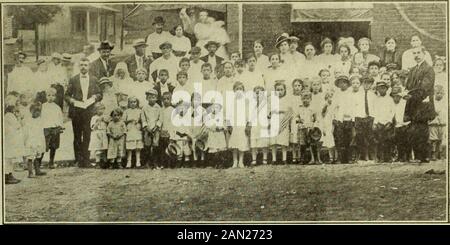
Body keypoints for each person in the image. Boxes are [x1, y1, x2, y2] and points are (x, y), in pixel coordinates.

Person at [65, 58, 103, 168]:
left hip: (88, 111)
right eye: (81, 65)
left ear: (89, 67)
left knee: (87, 135)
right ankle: (78, 159)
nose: (83, 67)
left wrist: (95, 97)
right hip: (76, 111)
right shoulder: (73, 79)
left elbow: (100, 94)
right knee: (77, 136)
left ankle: (86, 160)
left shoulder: (94, 79)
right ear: (78, 66)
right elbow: (66, 95)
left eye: (85, 65)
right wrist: (72, 101)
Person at [404, 46, 436, 163]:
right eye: (414, 53)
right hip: (413, 103)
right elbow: (409, 86)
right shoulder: (413, 69)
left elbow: (425, 88)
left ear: (424, 54)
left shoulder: (428, 69)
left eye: (418, 53)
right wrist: (406, 93)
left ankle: (425, 156)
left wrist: (412, 96)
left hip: (423, 104)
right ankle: (418, 156)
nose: (416, 55)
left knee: (422, 129)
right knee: (414, 129)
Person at [353, 76, 376, 162]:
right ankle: (363, 155)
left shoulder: (373, 95)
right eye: (365, 83)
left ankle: (371, 155)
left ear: (371, 84)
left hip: (370, 118)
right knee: (360, 137)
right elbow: (354, 107)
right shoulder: (357, 94)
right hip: (360, 118)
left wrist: (374, 119)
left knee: (370, 136)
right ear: (362, 84)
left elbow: (374, 108)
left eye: (369, 83)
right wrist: (355, 119)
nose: (366, 85)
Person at [372, 80, 395, 163]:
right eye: (380, 88)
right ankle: (380, 157)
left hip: (387, 123)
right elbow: (374, 112)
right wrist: (375, 123)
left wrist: (389, 121)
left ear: (386, 89)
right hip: (379, 123)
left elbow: (392, 111)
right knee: (379, 141)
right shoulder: (376, 100)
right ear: (377, 90)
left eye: (383, 88)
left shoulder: (390, 99)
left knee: (388, 140)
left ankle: (388, 157)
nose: (382, 90)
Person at [269, 81, 292, 164]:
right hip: (274, 120)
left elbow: (289, 112)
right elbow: (269, 112)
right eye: (277, 90)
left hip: (283, 120)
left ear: (285, 90)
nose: (279, 91)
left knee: (283, 141)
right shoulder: (272, 100)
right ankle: (274, 159)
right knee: (273, 141)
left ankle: (284, 159)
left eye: (281, 89)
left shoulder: (287, 100)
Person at [41, 87, 64, 169]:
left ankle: (51, 162)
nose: (50, 97)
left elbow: (60, 117)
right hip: (46, 128)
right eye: (48, 95)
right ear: (46, 96)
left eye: (53, 95)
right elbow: (40, 117)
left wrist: (60, 126)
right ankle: (38, 162)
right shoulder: (42, 107)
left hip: (55, 129)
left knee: (53, 146)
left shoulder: (57, 107)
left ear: (55, 97)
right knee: (43, 146)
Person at [333, 75, 354, 164]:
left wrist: (352, 119)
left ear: (347, 84)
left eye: (344, 82)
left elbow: (353, 108)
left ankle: (348, 158)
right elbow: (333, 108)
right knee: (339, 139)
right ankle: (340, 158)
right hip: (339, 120)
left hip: (348, 119)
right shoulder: (336, 95)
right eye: (340, 83)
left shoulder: (350, 94)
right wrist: (334, 118)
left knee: (348, 139)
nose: (342, 84)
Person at [23, 102, 47, 178]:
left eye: (39, 111)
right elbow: (26, 132)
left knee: (38, 157)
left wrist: (42, 141)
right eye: (35, 111)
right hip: (31, 142)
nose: (37, 113)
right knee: (30, 158)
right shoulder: (28, 121)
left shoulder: (40, 120)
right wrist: (25, 141)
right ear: (31, 111)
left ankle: (37, 170)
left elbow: (41, 131)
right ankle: (30, 173)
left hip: (38, 141)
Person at [141, 89, 162, 168]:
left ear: (156, 98)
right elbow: (143, 119)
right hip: (147, 129)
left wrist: (156, 126)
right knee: (147, 146)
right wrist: (146, 127)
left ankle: (155, 162)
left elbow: (160, 119)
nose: (152, 99)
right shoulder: (144, 108)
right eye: (149, 97)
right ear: (147, 98)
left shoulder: (158, 108)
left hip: (156, 130)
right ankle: (147, 162)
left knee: (155, 146)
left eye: (153, 97)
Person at [294, 90, 318, 164]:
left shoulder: (313, 108)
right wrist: (298, 120)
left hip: (310, 129)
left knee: (312, 143)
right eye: (303, 99)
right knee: (302, 144)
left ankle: (314, 159)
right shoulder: (299, 108)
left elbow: (316, 119)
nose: (305, 100)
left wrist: (314, 125)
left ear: (310, 99)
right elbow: (296, 118)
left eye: (307, 99)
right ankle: (302, 159)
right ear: (301, 99)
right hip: (302, 128)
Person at [249, 86, 270, 165]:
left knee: (264, 142)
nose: (258, 95)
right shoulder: (252, 104)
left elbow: (268, 114)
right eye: (257, 93)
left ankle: (265, 158)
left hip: (263, 125)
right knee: (254, 142)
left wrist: (268, 122)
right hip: (254, 126)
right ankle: (254, 159)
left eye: (261, 93)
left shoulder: (266, 104)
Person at [4, 105, 24, 184]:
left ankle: (9, 175)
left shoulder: (8, 116)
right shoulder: (9, 115)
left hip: (9, 139)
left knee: (9, 159)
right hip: (9, 140)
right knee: (8, 159)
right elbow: (18, 126)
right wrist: (19, 118)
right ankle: (7, 176)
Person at [391, 86, 410, 162]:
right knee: (398, 142)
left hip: (405, 125)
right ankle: (400, 156)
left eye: (398, 96)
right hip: (397, 125)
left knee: (406, 141)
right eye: (394, 96)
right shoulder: (391, 103)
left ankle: (407, 157)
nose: (396, 97)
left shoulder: (404, 103)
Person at [124, 97, 144, 168]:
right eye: (131, 102)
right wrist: (129, 120)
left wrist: (138, 121)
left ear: (137, 103)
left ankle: (138, 161)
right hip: (130, 129)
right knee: (130, 147)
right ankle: (129, 161)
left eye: (134, 102)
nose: (133, 104)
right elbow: (124, 121)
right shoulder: (126, 111)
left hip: (137, 128)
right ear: (129, 103)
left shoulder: (139, 111)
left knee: (137, 146)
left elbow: (142, 119)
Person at [88, 103, 109, 168]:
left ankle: (105, 162)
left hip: (103, 132)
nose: (101, 111)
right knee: (98, 149)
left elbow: (108, 124)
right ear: (95, 110)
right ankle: (97, 162)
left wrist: (105, 120)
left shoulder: (105, 116)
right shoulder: (94, 117)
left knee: (104, 148)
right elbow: (93, 127)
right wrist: (98, 121)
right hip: (97, 133)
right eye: (99, 109)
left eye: (102, 109)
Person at [429, 85, 445, 161]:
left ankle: (440, 153)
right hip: (433, 123)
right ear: (434, 93)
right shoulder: (432, 101)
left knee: (441, 139)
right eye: (437, 93)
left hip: (442, 123)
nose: (439, 95)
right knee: (433, 139)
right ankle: (433, 153)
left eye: (441, 93)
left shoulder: (445, 102)